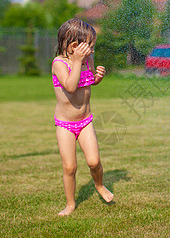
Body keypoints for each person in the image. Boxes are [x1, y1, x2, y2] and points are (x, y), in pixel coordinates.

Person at [52, 18, 114, 216]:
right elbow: (70, 86)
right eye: (90, 46)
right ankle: (70, 204)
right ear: (74, 46)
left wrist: (97, 79)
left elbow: (87, 84)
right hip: (65, 125)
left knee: (94, 162)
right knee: (70, 167)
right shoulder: (59, 64)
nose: (92, 51)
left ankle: (100, 185)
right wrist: (78, 61)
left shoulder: (87, 61)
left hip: (85, 121)